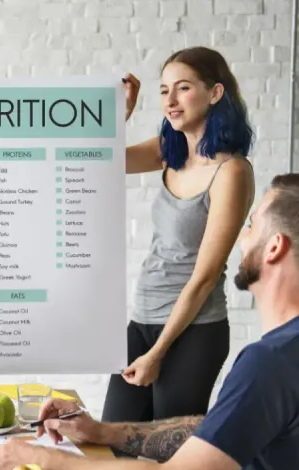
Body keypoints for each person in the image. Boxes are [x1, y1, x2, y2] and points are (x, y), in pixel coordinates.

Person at [0, 174, 299, 470]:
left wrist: (36, 456)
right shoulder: (282, 355)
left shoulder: (272, 362)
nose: (242, 236)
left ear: (275, 246)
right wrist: (104, 433)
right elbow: (210, 434)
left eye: (252, 224)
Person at [104, 47, 256, 424]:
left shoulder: (232, 172)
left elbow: (204, 277)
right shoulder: (168, 152)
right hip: (142, 317)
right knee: (108, 442)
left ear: (215, 93)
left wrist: (158, 352)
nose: (170, 100)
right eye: (163, 90)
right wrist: (122, 113)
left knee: (167, 454)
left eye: (183, 88)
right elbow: (101, 161)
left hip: (194, 330)